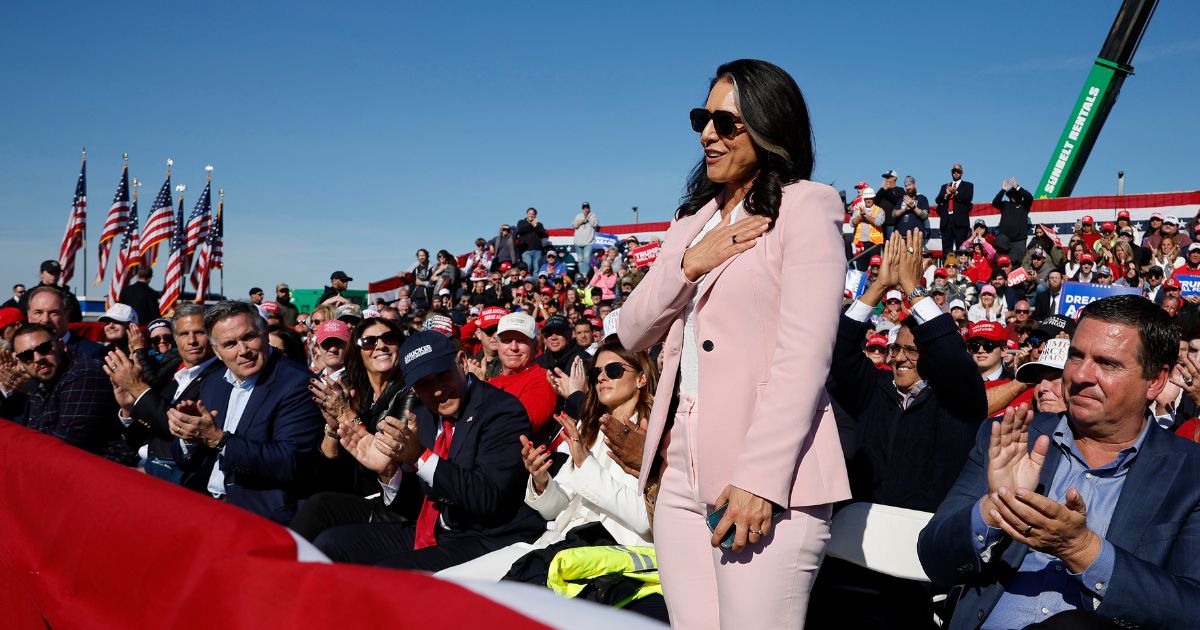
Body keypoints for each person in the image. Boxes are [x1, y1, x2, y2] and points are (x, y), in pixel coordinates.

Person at [619, 59, 850, 629]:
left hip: (766, 481)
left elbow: (805, 359)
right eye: (703, 118)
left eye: (727, 122)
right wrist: (692, 262)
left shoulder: (806, 205)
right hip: (679, 477)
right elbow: (630, 332)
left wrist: (759, 480)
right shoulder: (690, 224)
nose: (708, 134)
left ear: (771, 127)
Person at [919, 295, 1200, 629]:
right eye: (1076, 356)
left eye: (1107, 364)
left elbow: (1190, 609)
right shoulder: (1010, 438)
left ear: (1155, 380)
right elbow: (934, 559)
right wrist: (993, 511)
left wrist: (1083, 551)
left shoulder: (1190, 474)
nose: (1080, 375)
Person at [313, 331, 545, 571]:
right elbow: (413, 505)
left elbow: (486, 497)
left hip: (486, 536)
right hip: (433, 529)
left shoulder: (501, 411)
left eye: (443, 375)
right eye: (424, 383)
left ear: (462, 363)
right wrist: (388, 472)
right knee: (330, 544)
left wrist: (420, 457)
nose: (437, 390)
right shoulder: (422, 415)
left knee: (388, 573)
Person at [439, 338, 659, 582]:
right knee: (449, 583)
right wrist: (541, 480)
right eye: (596, 371)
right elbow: (554, 510)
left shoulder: (657, 433)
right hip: (554, 546)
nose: (601, 377)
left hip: (607, 561)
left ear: (641, 378)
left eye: (614, 370)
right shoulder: (587, 428)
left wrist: (586, 465)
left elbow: (645, 519)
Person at [167, 300, 325, 524]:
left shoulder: (297, 383)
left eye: (249, 337)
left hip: (261, 517)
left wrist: (217, 439)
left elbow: (290, 460)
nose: (243, 351)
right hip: (205, 506)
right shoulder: (213, 383)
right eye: (230, 344)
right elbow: (187, 458)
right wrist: (189, 435)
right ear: (218, 352)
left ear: (264, 333)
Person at [106, 303, 222, 483]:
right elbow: (139, 437)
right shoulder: (172, 372)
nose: (192, 341)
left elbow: (179, 428)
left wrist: (139, 388)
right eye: (184, 334)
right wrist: (128, 408)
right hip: (147, 464)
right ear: (176, 338)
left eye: (199, 332)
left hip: (181, 476)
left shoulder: (221, 376)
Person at [3, 323, 136, 465]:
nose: (37, 359)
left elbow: (64, 445)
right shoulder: (45, 379)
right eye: (26, 356)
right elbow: (35, 431)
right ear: (20, 362)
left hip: (105, 471)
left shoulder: (83, 374)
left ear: (61, 345)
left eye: (44, 349)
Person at [489, 312, 557, 443]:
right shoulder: (491, 382)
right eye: (507, 340)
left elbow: (517, 427)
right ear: (497, 345)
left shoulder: (543, 378)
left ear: (535, 346)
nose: (513, 347)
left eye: (521, 340)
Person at [24, 286, 106, 360]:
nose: (45, 319)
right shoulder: (21, 355)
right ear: (29, 317)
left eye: (54, 313)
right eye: (38, 312)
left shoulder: (93, 354)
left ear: (66, 316)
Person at [936, 163, 975, 255]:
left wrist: (956, 192)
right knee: (946, 249)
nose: (956, 173)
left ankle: (961, 269)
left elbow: (968, 198)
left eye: (958, 171)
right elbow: (938, 200)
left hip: (960, 221)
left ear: (961, 173)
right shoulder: (945, 186)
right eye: (954, 171)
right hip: (946, 221)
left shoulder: (968, 185)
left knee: (961, 249)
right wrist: (946, 194)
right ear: (951, 173)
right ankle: (946, 268)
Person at [992, 177, 1033, 262]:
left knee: (1018, 262)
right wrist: (1003, 190)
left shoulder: (1024, 206)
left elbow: (1029, 197)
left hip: (1019, 241)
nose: (1013, 197)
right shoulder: (1005, 205)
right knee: (1002, 261)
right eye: (1011, 195)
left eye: (1015, 195)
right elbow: (995, 202)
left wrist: (1018, 187)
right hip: (1004, 240)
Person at [517, 207, 549, 274]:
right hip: (526, 250)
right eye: (529, 213)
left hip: (537, 250)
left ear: (535, 215)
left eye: (533, 214)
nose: (531, 215)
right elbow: (520, 230)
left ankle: (535, 283)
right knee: (528, 266)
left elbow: (543, 234)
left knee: (536, 268)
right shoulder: (521, 222)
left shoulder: (539, 224)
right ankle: (528, 282)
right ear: (526, 214)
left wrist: (536, 226)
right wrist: (531, 225)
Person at [573, 202, 600, 277]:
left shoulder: (593, 215)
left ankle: (588, 275)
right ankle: (583, 275)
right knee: (581, 260)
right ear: (582, 209)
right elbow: (574, 225)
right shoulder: (578, 215)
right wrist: (582, 220)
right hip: (578, 243)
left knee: (587, 259)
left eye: (587, 208)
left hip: (589, 242)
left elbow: (595, 224)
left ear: (589, 208)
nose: (585, 209)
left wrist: (587, 217)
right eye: (584, 208)